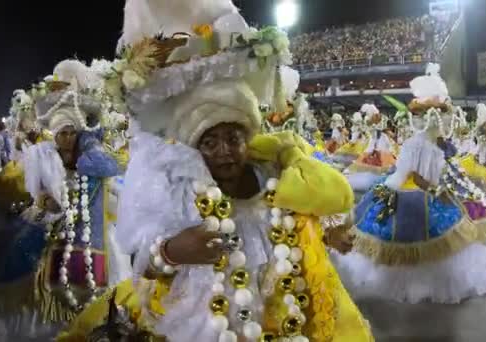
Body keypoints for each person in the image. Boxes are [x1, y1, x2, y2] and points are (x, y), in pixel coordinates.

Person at [59, 2, 373, 341]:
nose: (224, 151)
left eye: (233, 138)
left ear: (248, 137)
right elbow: (143, 264)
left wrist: (330, 230)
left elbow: (303, 214)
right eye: (210, 142)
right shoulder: (178, 189)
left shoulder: (273, 173)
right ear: (194, 147)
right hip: (200, 323)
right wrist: (172, 252)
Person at [332, 64, 486, 304]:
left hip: (433, 189)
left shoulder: (438, 143)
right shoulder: (416, 145)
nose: (439, 120)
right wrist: (429, 189)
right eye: (434, 115)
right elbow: (406, 176)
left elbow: (423, 172)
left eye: (440, 114)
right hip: (416, 193)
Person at [0, 59, 130, 341]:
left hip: (93, 233)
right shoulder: (42, 156)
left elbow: (111, 167)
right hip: (49, 230)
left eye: (71, 133)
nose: (66, 138)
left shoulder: (92, 156)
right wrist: (42, 203)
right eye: (62, 133)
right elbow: (14, 188)